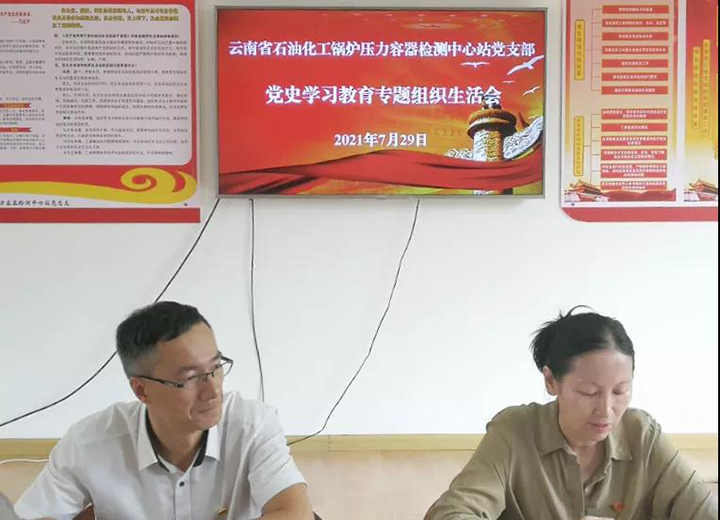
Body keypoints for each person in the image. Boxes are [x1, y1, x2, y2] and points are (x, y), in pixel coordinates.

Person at [15, 301, 314, 520]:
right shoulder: (89, 443)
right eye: (190, 378)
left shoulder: (253, 426)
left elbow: (295, 513)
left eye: (216, 368)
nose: (213, 391)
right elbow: (34, 514)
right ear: (141, 390)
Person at [426, 306, 718, 520]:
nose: (606, 410)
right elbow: (453, 512)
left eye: (620, 391)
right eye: (588, 392)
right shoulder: (514, 431)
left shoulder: (642, 434)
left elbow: (704, 511)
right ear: (551, 381)